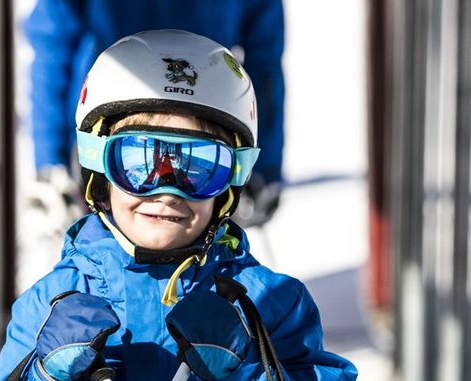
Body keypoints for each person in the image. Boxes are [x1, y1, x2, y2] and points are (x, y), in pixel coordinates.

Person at [0, 30, 356, 381]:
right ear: (99, 170)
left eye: (198, 166)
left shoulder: (272, 305)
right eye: (137, 161)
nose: (166, 190)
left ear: (230, 184)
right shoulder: (51, 304)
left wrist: (244, 377)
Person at [23, 0, 286, 228]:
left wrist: (263, 166)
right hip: (111, 134)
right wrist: (51, 160)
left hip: (204, 136)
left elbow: (264, 61)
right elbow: (53, 45)